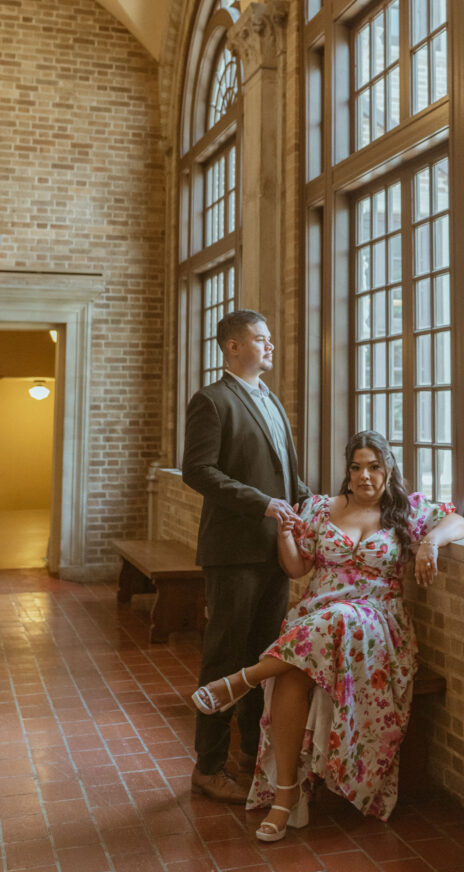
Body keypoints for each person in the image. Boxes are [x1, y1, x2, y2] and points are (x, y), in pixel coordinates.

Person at [191, 430, 464, 836]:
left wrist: (430, 543)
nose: (364, 476)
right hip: (317, 621)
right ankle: (285, 797)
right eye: (356, 468)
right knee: (291, 673)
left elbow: (459, 521)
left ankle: (242, 679)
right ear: (348, 471)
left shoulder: (406, 511)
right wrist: (286, 534)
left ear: (388, 469)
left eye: (374, 467)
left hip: (376, 622)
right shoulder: (322, 508)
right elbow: (297, 569)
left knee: (339, 617)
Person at [182, 309, 310, 803]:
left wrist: (312, 503)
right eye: (260, 339)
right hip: (233, 552)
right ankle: (208, 766)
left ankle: (252, 757)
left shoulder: (272, 400)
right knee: (223, 657)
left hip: (274, 552)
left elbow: (283, 476)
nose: (270, 346)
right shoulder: (211, 401)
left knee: (263, 659)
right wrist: (262, 504)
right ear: (233, 347)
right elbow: (198, 471)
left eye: (270, 338)